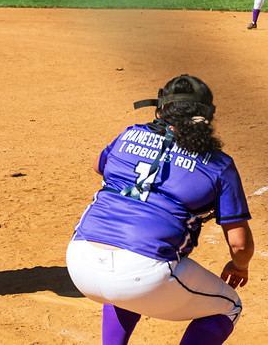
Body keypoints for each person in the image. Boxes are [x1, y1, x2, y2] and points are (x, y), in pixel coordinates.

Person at [66, 75, 254, 345]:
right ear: (207, 117)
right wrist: (240, 267)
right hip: (142, 274)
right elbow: (239, 245)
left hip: (80, 260)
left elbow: (99, 166)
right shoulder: (218, 164)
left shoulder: (130, 133)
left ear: (161, 108)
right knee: (229, 306)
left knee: (123, 288)